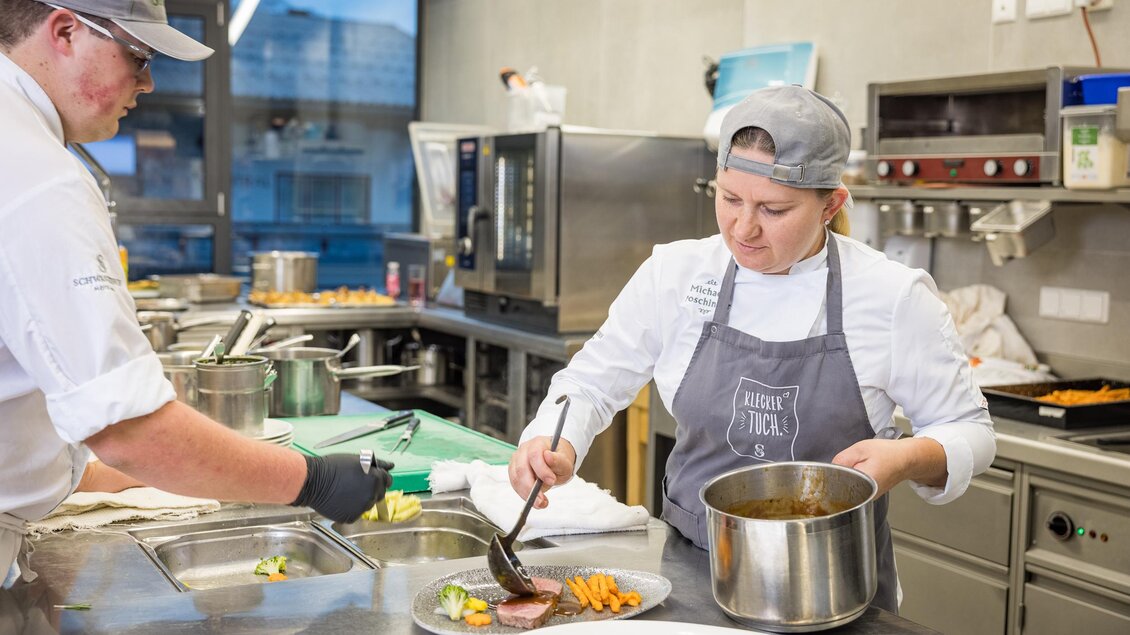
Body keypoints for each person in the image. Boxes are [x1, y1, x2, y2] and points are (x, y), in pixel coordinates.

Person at [507, 85, 996, 612]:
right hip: (696, 574)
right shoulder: (676, 273)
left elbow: (970, 430)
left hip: (835, 586)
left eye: (774, 209)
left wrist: (906, 457)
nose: (743, 228)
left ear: (831, 204)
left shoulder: (891, 295)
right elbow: (591, 382)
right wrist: (549, 441)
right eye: (729, 198)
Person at [0, 0, 393, 586]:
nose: (148, 82)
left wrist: (165, 471)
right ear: (64, 31)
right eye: (139, 57)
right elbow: (131, 433)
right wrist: (313, 480)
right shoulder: (37, 174)